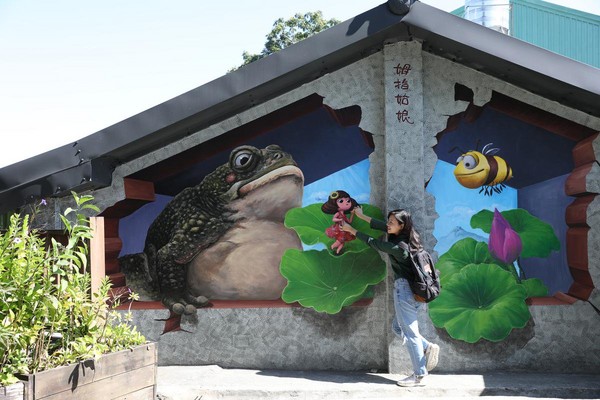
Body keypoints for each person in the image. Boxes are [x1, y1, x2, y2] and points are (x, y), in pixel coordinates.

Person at [341, 207, 440, 387]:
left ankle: (419, 375)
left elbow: (374, 243)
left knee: (410, 333)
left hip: (405, 291)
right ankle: (426, 347)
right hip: (416, 292)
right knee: (398, 327)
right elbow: (382, 226)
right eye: (389, 221)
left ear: (401, 226)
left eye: (392, 222)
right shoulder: (410, 237)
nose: (388, 225)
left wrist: (352, 230)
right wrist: (362, 216)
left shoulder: (398, 248)